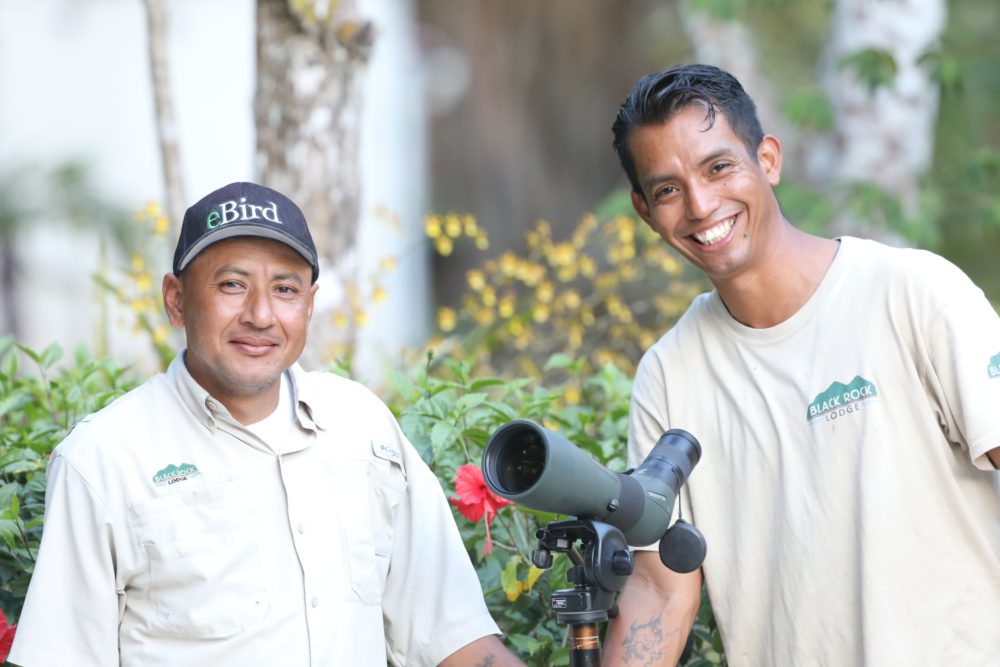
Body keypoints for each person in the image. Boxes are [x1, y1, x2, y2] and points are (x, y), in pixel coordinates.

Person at [8, 182, 525, 667]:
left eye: (285, 289)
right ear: (176, 299)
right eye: (232, 284)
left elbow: (454, 638)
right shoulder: (105, 457)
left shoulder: (361, 427)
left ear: (309, 305)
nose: (260, 314)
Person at [600, 64, 1000, 666]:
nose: (701, 205)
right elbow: (660, 587)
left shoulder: (913, 293)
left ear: (768, 159)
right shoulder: (669, 374)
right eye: (667, 189)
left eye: (718, 167)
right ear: (644, 211)